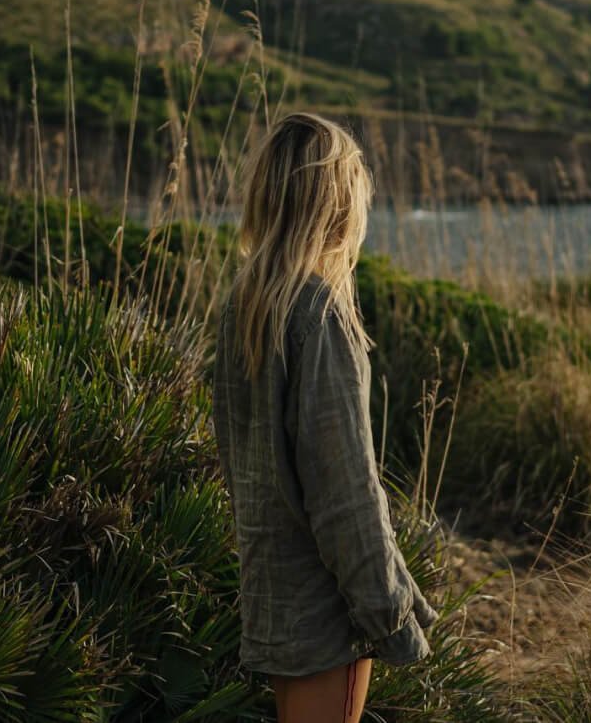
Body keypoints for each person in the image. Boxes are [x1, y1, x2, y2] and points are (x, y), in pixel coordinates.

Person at [212, 112, 438, 723]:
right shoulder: (318, 312)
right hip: (325, 604)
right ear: (339, 205)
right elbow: (346, 491)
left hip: (272, 588)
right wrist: (388, 610)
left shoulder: (245, 303)